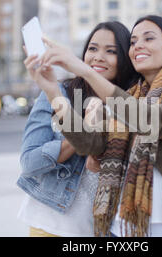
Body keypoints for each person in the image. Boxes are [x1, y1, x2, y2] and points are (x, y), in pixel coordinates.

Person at [36, 15, 162, 237]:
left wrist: (86, 71)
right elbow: (90, 144)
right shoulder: (132, 97)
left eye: (148, 38)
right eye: (133, 42)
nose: (138, 45)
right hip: (121, 227)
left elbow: (151, 121)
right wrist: (52, 91)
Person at [17, 21, 138, 237]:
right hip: (52, 226)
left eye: (111, 51)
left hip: (106, 231)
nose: (98, 57)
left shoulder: (131, 106)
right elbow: (30, 163)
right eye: (92, 48)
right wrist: (82, 132)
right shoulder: (57, 93)